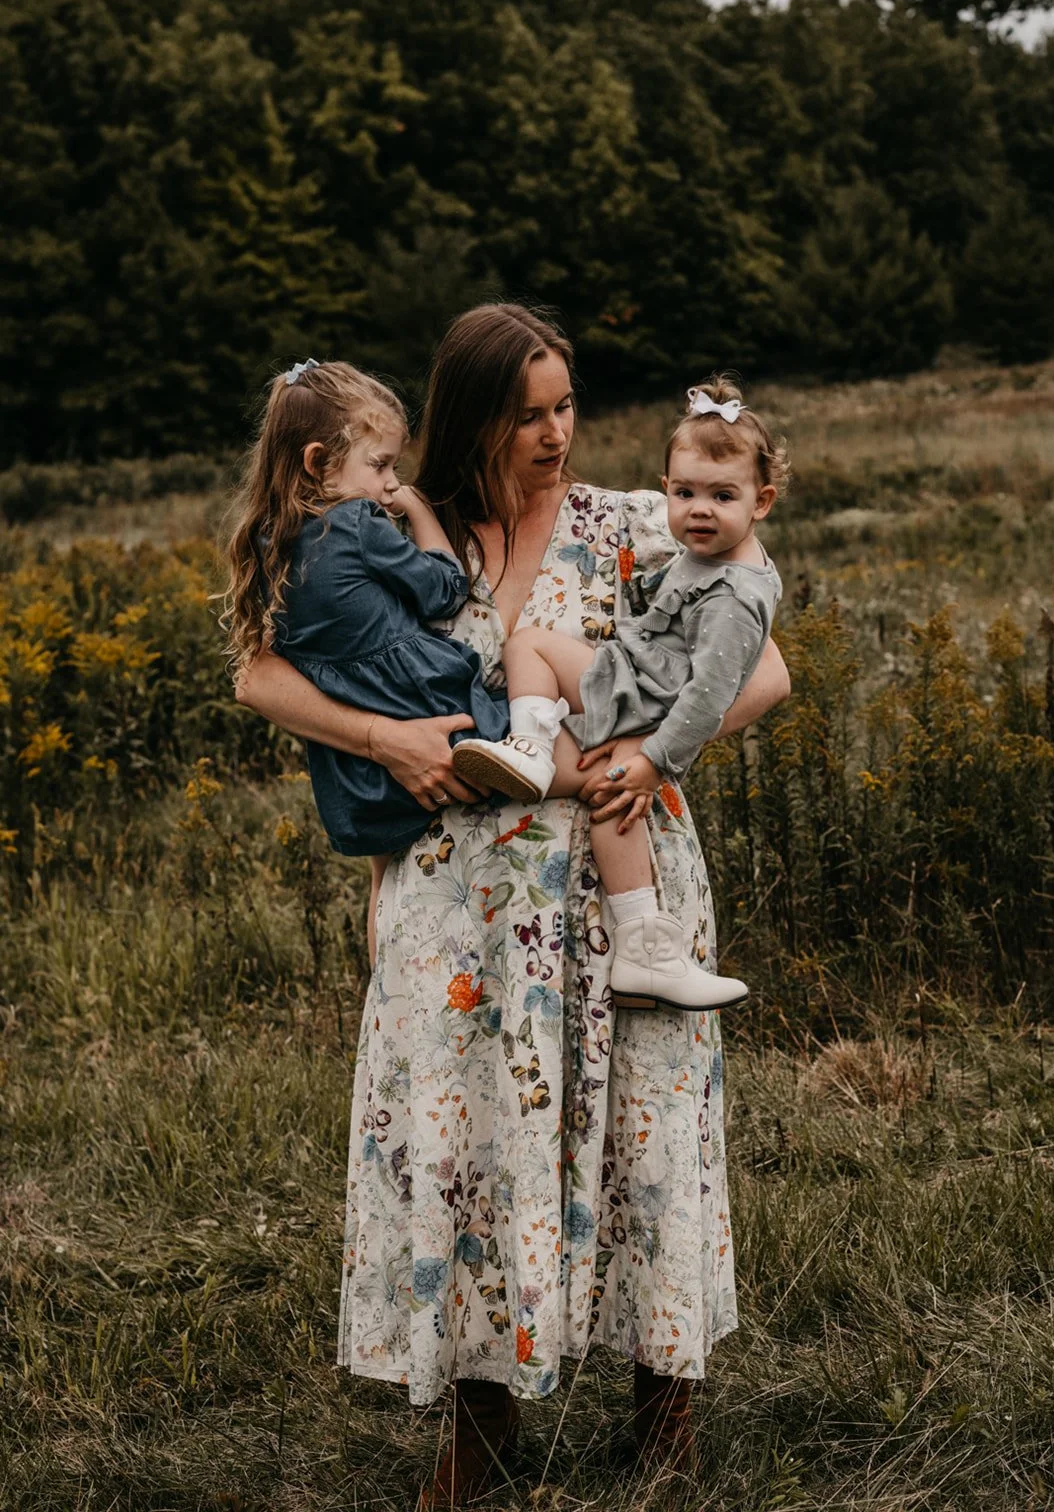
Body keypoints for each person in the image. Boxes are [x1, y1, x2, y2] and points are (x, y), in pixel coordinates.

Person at [235, 305, 791, 1504]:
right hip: (463, 896)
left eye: (564, 406)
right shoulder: (394, 522)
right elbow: (260, 669)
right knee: (473, 1148)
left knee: (647, 1131)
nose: (553, 433)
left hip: (618, 870)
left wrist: (645, 747)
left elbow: (764, 667)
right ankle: (478, 1433)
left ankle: (663, 1420)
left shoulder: (637, 526)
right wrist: (382, 737)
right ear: (471, 416)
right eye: (526, 413)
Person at [453, 376, 787, 1014]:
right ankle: (531, 746)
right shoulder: (704, 552)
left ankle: (642, 942)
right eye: (685, 493)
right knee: (538, 657)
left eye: (722, 496)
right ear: (667, 488)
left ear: (761, 501)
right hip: (634, 678)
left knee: (602, 775)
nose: (700, 510)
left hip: (646, 698)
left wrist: (653, 757)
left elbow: (713, 695)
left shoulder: (734, 594)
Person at [220, 357, 508, 881]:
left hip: (356, 777)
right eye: (380, 466)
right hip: (426, 704)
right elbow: (444, 591)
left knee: (388, 881)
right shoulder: (355, 522)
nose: (391, 484)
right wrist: (417, 509)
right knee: (551, 739)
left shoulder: (270, 543)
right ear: (317, 462)